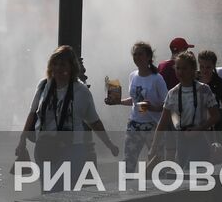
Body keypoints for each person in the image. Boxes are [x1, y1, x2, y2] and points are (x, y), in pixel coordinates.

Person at [16, 45, 118, 187]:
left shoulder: (81, 91)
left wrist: (109, 144)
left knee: (62, 190)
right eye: (55, 64)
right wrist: (22, 140)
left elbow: (94, 121)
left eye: (63, 64)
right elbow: (33, 113)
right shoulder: (44, 85)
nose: (58, 68)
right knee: (48, 190)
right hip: (44, 147)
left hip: (71, 149)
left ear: (71, 67)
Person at [108, 41, 169, 171]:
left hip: (153, 125)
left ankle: (157, 183)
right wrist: (117, 101)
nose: (137, 57)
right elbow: (135, 100)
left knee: (157, 163)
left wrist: (152, 108)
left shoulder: (157, 78)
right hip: (134, 124)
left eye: (140, 54)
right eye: (135, 54)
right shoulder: (133, 75)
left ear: (149, 57)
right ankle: (126, 184)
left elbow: (167, 104)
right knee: (128, 161)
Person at [153, 51, 220, 164]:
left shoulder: (204, 89)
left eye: (184, 68)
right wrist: (153, 147)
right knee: (183, 170)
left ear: (193, 69)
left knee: (193, 168)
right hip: (181, 139)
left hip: (200, 138)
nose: (180, 72)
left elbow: (216, 116)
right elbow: (163, 122)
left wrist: (199, 129)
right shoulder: (173, 93)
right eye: (178, 68)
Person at [198, 50, 222, 140]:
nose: (204, 70)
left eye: (208, 67)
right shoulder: (193, 80)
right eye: (201, 67)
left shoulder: (221, 83)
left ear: (214, 66)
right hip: (194, 126)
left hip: (214, 128)